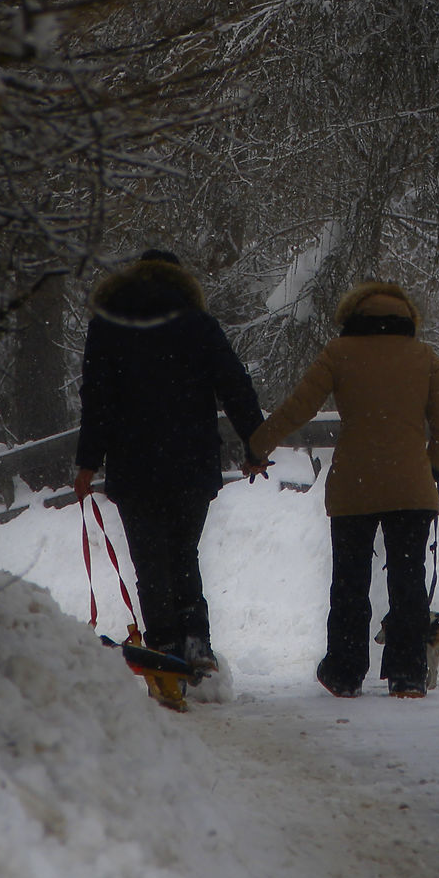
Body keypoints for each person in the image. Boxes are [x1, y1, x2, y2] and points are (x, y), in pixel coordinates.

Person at [250, 279, 439, 699]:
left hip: (354, 487)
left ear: (354, 316)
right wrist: (432, 466)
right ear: (405, 318)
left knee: (350, 581)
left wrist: (258, 445)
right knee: (408, 580)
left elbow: (298, 407)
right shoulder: (424, 357)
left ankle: (345, 672)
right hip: (410, 488)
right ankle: (407, 673)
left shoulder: (338, 353)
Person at [71, 249, 266, 678]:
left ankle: (163, 647)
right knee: (183, 553)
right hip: (191, 462)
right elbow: (235, 385)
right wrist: (255, 444)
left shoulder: (109, 328)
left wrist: (87, 464)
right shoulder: (199, 326)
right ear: (180, 282)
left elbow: (97, 402)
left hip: (134, 464)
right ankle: (197, 643)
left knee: (151, 560)